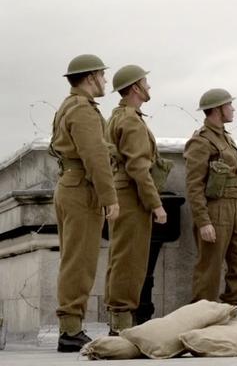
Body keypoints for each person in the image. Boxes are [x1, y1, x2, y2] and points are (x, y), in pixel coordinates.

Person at [49, 54, 119, 352]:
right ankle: (70, 331)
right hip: (82, 189)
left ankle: (71, 327)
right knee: (80, 261)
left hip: (71, 184)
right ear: (91, 78)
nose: (105, 81)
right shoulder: (83, 110)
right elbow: (96, 157)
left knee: (73, 258)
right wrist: (109, 198)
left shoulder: (68, 106)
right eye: (103, 76)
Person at [104, 65, 170, 334]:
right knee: (130, 260)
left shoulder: (119, 116)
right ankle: (120, 323)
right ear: (135, 88)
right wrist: (156, 204)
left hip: (123, 191)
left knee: (121, 257)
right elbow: (139, 168)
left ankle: (117, 320)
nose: (149, 87)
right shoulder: (130, 120)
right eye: (145, 83)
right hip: (131, 195)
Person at [183, 88, 237, 305]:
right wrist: (204, 222)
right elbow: (194, 185)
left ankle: (230, 310)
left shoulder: (225, 138)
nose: (232, 109)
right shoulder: (201, 141)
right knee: (210, 270)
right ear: (217, 109)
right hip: (215, 210)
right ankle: (201, 317)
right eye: (228, 105)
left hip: (234, 208)